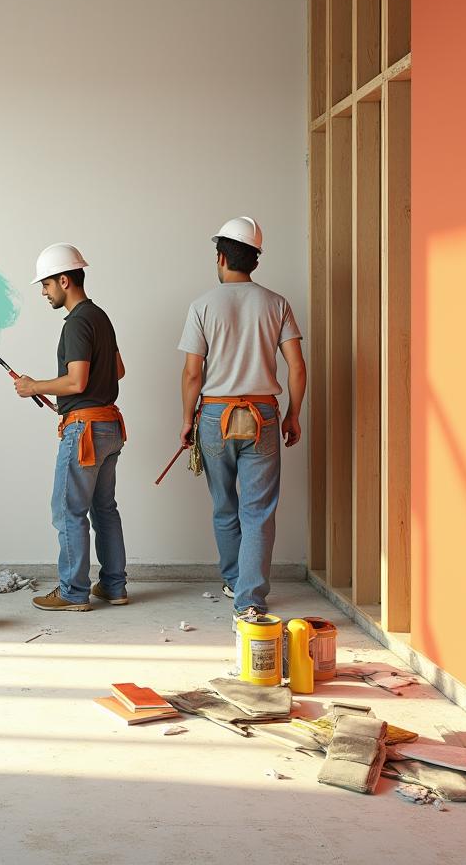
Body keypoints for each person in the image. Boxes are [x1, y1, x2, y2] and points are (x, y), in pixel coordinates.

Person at [177, 217, 307, 626]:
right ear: (255, 259)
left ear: (221, 257)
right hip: (263, 415)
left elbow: (192, 373)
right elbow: (298, 369)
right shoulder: (277, 303)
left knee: (224, 505)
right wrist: (292, 415)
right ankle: (249, 600)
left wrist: (187, 419)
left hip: (215, 414)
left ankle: (235, 580)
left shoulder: (202, 305)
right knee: (259, 510)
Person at [13, 243, 128, 611]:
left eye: (46, 285)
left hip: (86, 431)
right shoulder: (100, 317)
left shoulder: (77, 322)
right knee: (104, 508)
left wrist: (35, 387)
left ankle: (73, 592)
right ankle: (113, 586)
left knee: (67, 511)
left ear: (65, 280)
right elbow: (118, 371)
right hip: (108, 426)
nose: (44, 292)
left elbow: (77, 382)